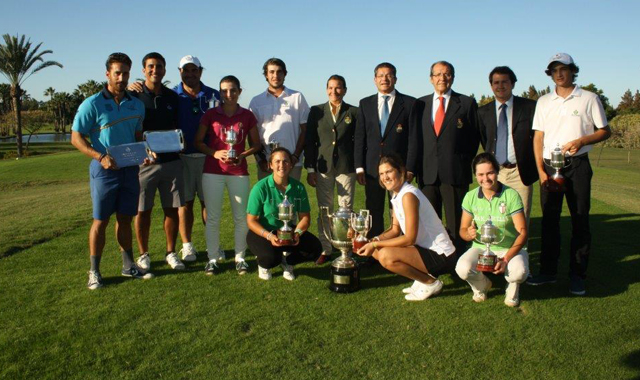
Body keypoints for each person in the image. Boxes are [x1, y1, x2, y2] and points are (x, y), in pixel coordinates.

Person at [527, 53, 611, 296]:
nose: (559, 74)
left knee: (580, 220)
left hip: (578, 166)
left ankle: (577, 275)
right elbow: (538, 137)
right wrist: (541, 171)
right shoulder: (543, 101)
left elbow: (604, 131)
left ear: (573, 71)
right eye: (555, 70)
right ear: (550, 74)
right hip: (549, 166)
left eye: (564, 69)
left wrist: (583, 140)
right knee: (550, 222)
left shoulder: (589, 98)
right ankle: (548, 272)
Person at [71, 52, 152, 289]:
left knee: (125, 218)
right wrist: (100, 156)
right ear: (108, 74)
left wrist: (143, 153)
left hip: (129, 170)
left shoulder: (136, 104)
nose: (121, 77)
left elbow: (138, 136)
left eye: (125, 73)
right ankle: (94, 271)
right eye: (117, 72)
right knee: (100, 220)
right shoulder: (93, 103)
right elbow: (76, 137)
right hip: (104, 170)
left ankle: (128, 266)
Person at [128, 55, 221, 263]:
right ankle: (186, 246)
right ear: (179, 72)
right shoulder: (173, 96)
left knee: (207, 203)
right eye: (185, 70)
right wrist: (134, 86)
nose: (190, 74)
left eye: (194, 70)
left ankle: (212, 245)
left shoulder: (210, 95)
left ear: (200, 71)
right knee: (183, 205)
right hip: (178, 158)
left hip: (205, 157)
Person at [356, 154, 456, 301]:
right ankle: (422, 278)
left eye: (389, 172)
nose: (385, 177)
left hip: (441, 255)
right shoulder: (396, 194)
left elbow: (409, 238)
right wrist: (372, 240)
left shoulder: (408, 195)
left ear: (401, 172)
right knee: (376, 252)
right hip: (424, 249)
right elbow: (395, 229)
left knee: (385, 256)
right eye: (382, 174)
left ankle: (430, 282)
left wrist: (375, 243)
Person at [410, 60, 480, 256]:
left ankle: (458, 261)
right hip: (427, 173)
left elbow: (474, 139)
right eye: (438, 74)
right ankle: (433, 258)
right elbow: (416, 139)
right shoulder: (420, 104)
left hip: (455, 173)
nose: (442, 78)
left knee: (457, 220)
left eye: (447, 74)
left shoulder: (466, 103)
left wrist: (460, 161)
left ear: (453, 78)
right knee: (429, 221)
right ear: (431, 79)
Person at [195, 75, 261, 275]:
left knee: (241, 218)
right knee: (213, 217)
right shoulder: (210, 114)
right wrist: (214, 153)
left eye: (233, 90)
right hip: (213, 171)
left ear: (240, 91)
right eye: (224, 90)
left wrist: (242, 155)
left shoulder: (247, 115)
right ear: (219, 92)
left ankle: (240, 258)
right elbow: (198, 141)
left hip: (238, 172)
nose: (228, 94)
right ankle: (213, 259)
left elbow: (257, 145)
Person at [354, 62, 417, 255]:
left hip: (398, 170)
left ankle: (402, 250)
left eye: (389, 75)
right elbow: (360, 137)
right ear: (374, 80)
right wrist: (359, 167)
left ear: (395, 79)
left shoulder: (409, 103)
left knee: (398, 212)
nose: (384, 79)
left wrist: (410, 168)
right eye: (380, 75)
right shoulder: (365, 103)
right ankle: (374, 251)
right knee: (373, 210)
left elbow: (413, 138)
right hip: (373, 169)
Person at [130, 52, 185, 272]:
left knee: (171, 209)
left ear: (164, 70)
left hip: (172, 161)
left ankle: (171, 252)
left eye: (159, 66)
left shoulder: (172, 97)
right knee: (143, 211)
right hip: (144, 164)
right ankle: (143, 255)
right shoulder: (133, 96)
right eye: (151, 66)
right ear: (144, 70)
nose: (155, 70)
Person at [455, 153, 529, 307]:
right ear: (475, 175)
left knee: (519, 272)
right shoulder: (470, 196)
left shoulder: (511, 195)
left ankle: (513, 287)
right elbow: (462, 229)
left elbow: (523, 232)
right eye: (480, 174)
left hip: (509, 248)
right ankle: (482, 285)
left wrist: (506, 259)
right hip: (482, 247)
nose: (486, 178)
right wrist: (468, 235)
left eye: (490, 173)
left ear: (497, 172)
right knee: (462, 268)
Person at [304, 74, 358, 265]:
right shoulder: (316, 111)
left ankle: (346, 247)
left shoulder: (354, 111)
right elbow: (309, 141)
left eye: (338, 87)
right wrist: (310, 169)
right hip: (323, 167)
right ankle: (325, 248)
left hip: (346, 167)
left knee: (346, 210)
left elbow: (358, 142)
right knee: (325, 210)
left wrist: (359, 168)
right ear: (326, 89)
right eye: (330, 87)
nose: (334, 91)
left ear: (344, 90)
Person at [246, 147, 322, 281]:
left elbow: (305, 218)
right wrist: (269, 236)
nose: (282, 165)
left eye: (286, 161)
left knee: (315, 248)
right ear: (270, 165)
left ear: (291, 164)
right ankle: (264, 264)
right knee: (271, 258)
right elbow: (251, 220)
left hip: (287, 230)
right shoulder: (260, 188)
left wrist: (297, 233)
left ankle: (288, 262)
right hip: (263, 232)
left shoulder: (298, 187)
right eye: (277, 161)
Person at [478, 66, 537, 228]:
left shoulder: (529, 107)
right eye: (496, 82)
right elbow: (485, 140)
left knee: (521, 220)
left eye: (505, 81)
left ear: (513, 84)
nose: (500, 86)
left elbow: (537, 138)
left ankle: (520, 253)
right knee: (495, 218)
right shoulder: (483, 112)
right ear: (491, 86)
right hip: (495, 173)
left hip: (520, 172)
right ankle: (497, 253)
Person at [249, 58, 310, 181]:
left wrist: (295, 156)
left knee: (291, 200)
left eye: (279, 72)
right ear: (266, 75)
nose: (275, 75)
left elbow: (305, 130)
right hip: (266, 164)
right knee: (267, 200)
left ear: (285, 74)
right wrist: (260, 159)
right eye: (271, 72)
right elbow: (251, 135)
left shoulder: (297, 97)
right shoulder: (256, 101)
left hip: (292, 164)